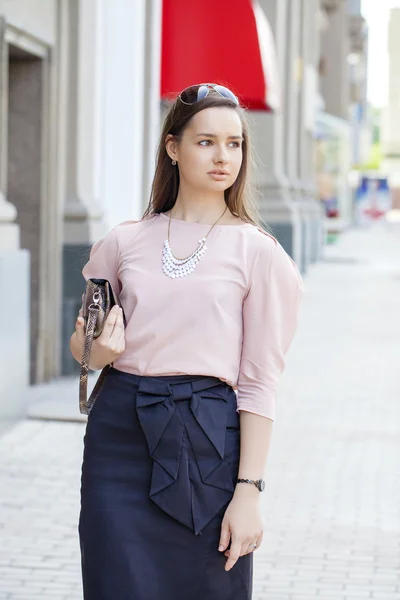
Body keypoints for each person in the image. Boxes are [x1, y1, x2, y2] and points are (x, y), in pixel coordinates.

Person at [69, 83, 304, 600]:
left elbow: (259, 383)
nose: (224, 156)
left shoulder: (260, 254)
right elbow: (82, 342)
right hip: (119, 437)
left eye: (235, 143)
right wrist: (99, 353)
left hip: (208, 437)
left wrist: (249, 493)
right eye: (206, 142)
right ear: (173, 147)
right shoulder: (123, 241)